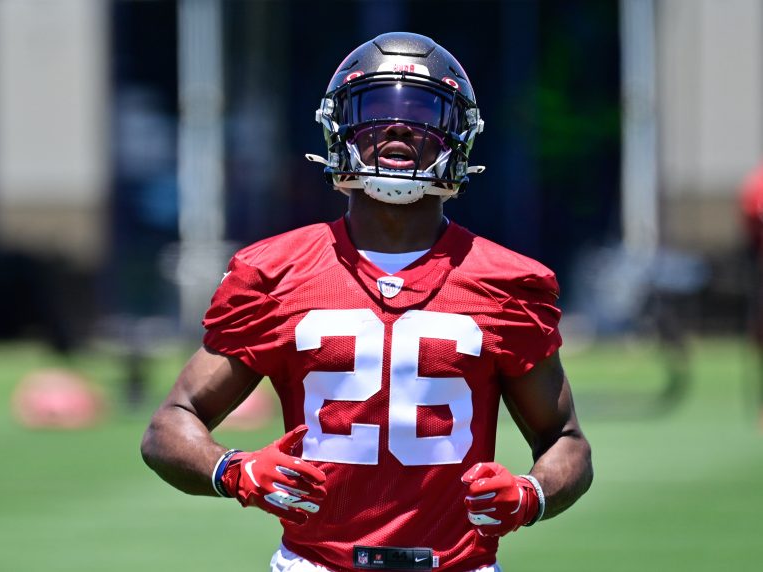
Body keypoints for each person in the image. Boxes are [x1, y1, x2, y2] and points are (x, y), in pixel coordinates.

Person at [142, 32, 593, 571]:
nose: (399, 126)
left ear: (458, 136)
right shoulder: (276, 271)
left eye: (424, 111)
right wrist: (233, 470)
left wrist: (531, 494)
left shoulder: (505, 281)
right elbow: (171, 424)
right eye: (376, 109)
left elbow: (565, 440)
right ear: (339, 128)